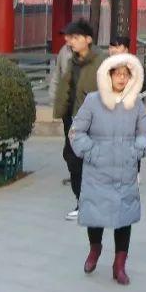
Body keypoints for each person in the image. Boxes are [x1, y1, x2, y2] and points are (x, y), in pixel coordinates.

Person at [67, 53, 146, 285]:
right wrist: (91, 151)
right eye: (118, 74)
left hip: (125, 170)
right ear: (108, 75)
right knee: (96, 214)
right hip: (98, 170)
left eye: (126, 74)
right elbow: (76, 132)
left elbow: (144, 133)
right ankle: (95, 250)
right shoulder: (93, 101)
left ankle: (120, 264)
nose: (122, 79)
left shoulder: (136, 103)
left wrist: (137, 150)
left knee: (124, 218)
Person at [53, 19, 106, 221]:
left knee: (91, 162)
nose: (70, 41)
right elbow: (64, 86)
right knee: (72, 159)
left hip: (95, 121)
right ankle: (82, 201)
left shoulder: (102, 61)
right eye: (69, 37)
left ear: (88, 39)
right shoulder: (72, 60)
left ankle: (91, 203)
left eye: (75, 37)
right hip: (72, 118)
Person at [47, 31, 74, 105]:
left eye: (69, 35)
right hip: (65, 100)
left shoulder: (88, 53)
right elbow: (56, 76)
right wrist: (52, 98)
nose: (65, 38)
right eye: (65, 35)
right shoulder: (64, 51)